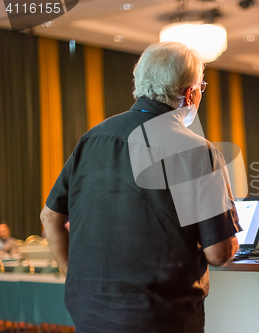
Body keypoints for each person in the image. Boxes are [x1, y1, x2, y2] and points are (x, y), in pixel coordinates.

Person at [40, 42, 242, 333]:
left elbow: (50, 217)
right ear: (189, 93)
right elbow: (219, 254)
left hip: (89, 312)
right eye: (201, 87)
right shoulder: (197, 151)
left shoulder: (93, 138)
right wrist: (231, 235)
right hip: (160, 317)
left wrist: (78, 276)